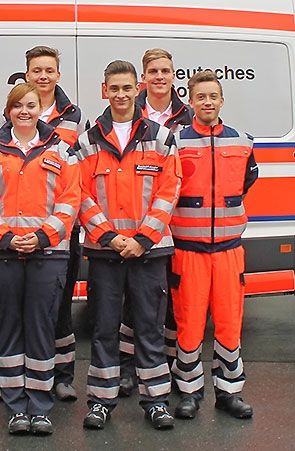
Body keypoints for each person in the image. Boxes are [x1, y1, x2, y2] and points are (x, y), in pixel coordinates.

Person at [75, 61, 181, 430]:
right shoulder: (88, 140)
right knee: (104, 327)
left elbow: (169, 192)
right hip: (106, 252)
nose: (120, 95)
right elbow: (81, 194)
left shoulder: (161, 137)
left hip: (149, 251)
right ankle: (101, 401)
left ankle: (156, 401)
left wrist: (142, 238)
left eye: (126, 88)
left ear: (137, 88)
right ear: (104, 90)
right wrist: (110, 236)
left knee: (149, 327)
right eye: (113, 88)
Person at [0, 82, 80, 436]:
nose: (24, 111)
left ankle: (40, 404)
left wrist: (42, 237)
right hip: (4, 254)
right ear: (8, 111)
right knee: (7, 327)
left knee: (41, 327)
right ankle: (16, 404)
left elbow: (70, 200)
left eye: (31, 105)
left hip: (47, 254)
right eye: (18, 106)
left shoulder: (62, 152)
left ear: (40, 110)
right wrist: (6, 237)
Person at [0, 45, 85, 402]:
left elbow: (79, 174)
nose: (43, 76)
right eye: (36, 70)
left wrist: (55, 228)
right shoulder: (6, 123)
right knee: (16, 310)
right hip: (14, 235)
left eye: (49, 70)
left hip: (60, 233)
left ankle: (60, 376)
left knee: (57, 306)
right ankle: (14, 379)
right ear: (26, 74)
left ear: (58, 75)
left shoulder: (74, 116)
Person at [170, 70, 258, 420]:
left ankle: (229, 392)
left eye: (213, 96)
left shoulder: (242, 141)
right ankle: (189, 391)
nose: (207, 102)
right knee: (188, 323)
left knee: (228, 322)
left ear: (221, 100)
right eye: (201, 97)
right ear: (190, 101)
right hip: (188, 251)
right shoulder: (176, 141)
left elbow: (248, 178)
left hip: (228, 250)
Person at [119, 48, 193, 397]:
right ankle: (129, 369)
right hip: (140, 225)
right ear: (142, 79)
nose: (159, 76)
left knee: (170, 300)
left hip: (182, 222)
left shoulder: (189, 115)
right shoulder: (131, 114)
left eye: (166, 70)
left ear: (173, 75)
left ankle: (167, 366)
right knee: (135, 300)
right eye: (153, 71)